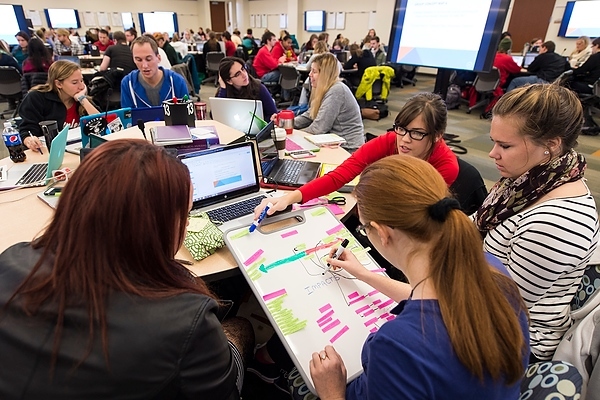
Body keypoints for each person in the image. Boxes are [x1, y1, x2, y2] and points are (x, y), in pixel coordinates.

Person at [0, 139, 253, 399]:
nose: (187, 226)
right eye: (185, 216)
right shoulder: (185, 318)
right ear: (157, 227)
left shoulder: (11, 260)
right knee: (241, 326)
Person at [308, 155, 529, 399]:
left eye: (364, 228)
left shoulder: (396, 346)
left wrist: (331, 391)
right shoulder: (492, 271)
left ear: (382, 233)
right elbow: (437, 300)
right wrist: (363, 274)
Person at [474, 83, 600, 362]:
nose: (493, 153)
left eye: (505, 145)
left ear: (552, 145)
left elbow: (502, 307)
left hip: (514, 340)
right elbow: (476, 224)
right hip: (481, 299)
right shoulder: (527, 180)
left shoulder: (557, 220)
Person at [257, 92, 458, 217]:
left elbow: (412, 210)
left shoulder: (445, 166)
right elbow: (341, 174)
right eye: (402, 129)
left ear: (437, 136)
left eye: (417, 133)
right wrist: (291, 198)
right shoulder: (390, 140)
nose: (404, 139)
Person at [18, 60, 100, 151]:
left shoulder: (81, 98)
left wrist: (83, 100)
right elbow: (26, 130)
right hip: (48, 151)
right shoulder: (37, 98)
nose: (81, 86)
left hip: (78, 149)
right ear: (58, 84)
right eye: (74, 82)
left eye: (81, 80)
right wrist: (29, 140)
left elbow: (101, 123)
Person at [291, 53, 364, 152]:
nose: (310, 74)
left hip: (348, 149)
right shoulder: (326, 89)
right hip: (334, 144)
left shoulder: (337, 90)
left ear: (324, 74)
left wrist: (292, 135)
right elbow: (310, 115)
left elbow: (318, 128)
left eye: (314, 71)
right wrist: (286, 123)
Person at [120, 36, 188, 109]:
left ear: (158, 58)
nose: (144, 65)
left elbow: (189, 116)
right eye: (139, 60)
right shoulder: (128, 83)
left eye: (149, 59)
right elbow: (126, 118)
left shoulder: (177, 82)